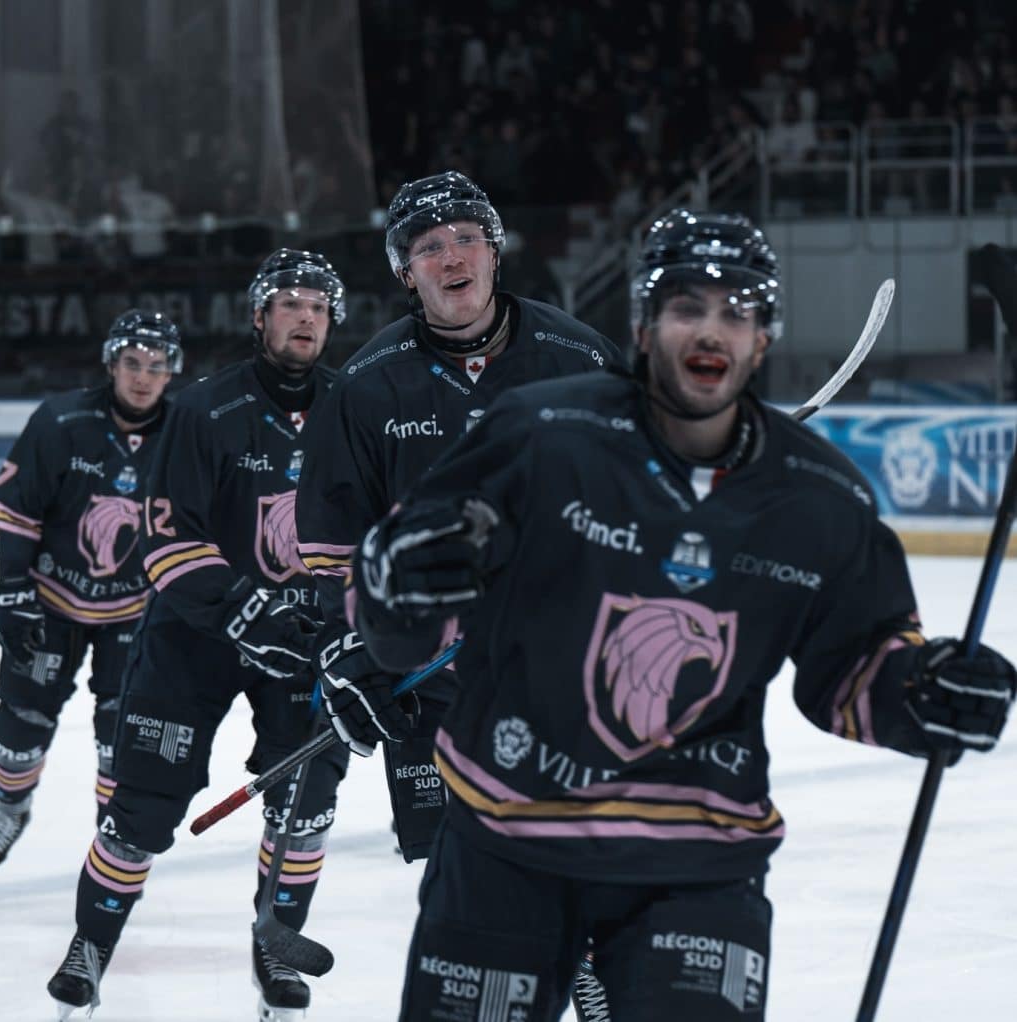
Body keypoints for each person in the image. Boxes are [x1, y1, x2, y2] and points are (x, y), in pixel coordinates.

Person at [345, 209, 1017, 1022]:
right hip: (504, 841)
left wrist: (922, 691)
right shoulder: (540, 435)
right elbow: (410, 618)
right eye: (688, 306)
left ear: (763, 338)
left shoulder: (821, 498)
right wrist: (389, 595)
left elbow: (855, 668)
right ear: (641, 325)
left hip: (698, 862)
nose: (713, 329)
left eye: (738, 311)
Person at [45, 250, 346, 1020]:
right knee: (140, 808)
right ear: (259, 317)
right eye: (289, 303)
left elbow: (382, 526)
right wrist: (249, 610)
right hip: (194, 639)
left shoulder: (356, 410)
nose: (305, 316)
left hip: (308, 647)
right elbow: (168, 537)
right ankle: (90, 945)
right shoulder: (202, 409)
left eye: (318, 304)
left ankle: (276, 943)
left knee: (303, 808)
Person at [294, 170, 618, 871]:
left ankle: (583, 973)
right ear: (406, 274)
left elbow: (633, 495)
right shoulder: (365, 387)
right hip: (430, 674)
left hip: (563, 660)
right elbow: (331, 545)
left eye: (468, 238)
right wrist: (357, 648)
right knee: (458, 870)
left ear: (495, 253)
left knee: (576, 850)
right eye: (429, 247)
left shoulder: (582, 359)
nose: (452, 257)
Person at [0, 309, 182, 885]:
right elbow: (17, 506)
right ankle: (9, 811)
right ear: (112, 363)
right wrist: (11, 590)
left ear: (171, 374)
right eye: (133, 363)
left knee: (122, 736)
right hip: (51, 604)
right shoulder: (62, 421)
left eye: (156, 366)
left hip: (135, 612)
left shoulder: (185, 431)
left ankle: (111, 839)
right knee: (20, 725)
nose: (143, 376)